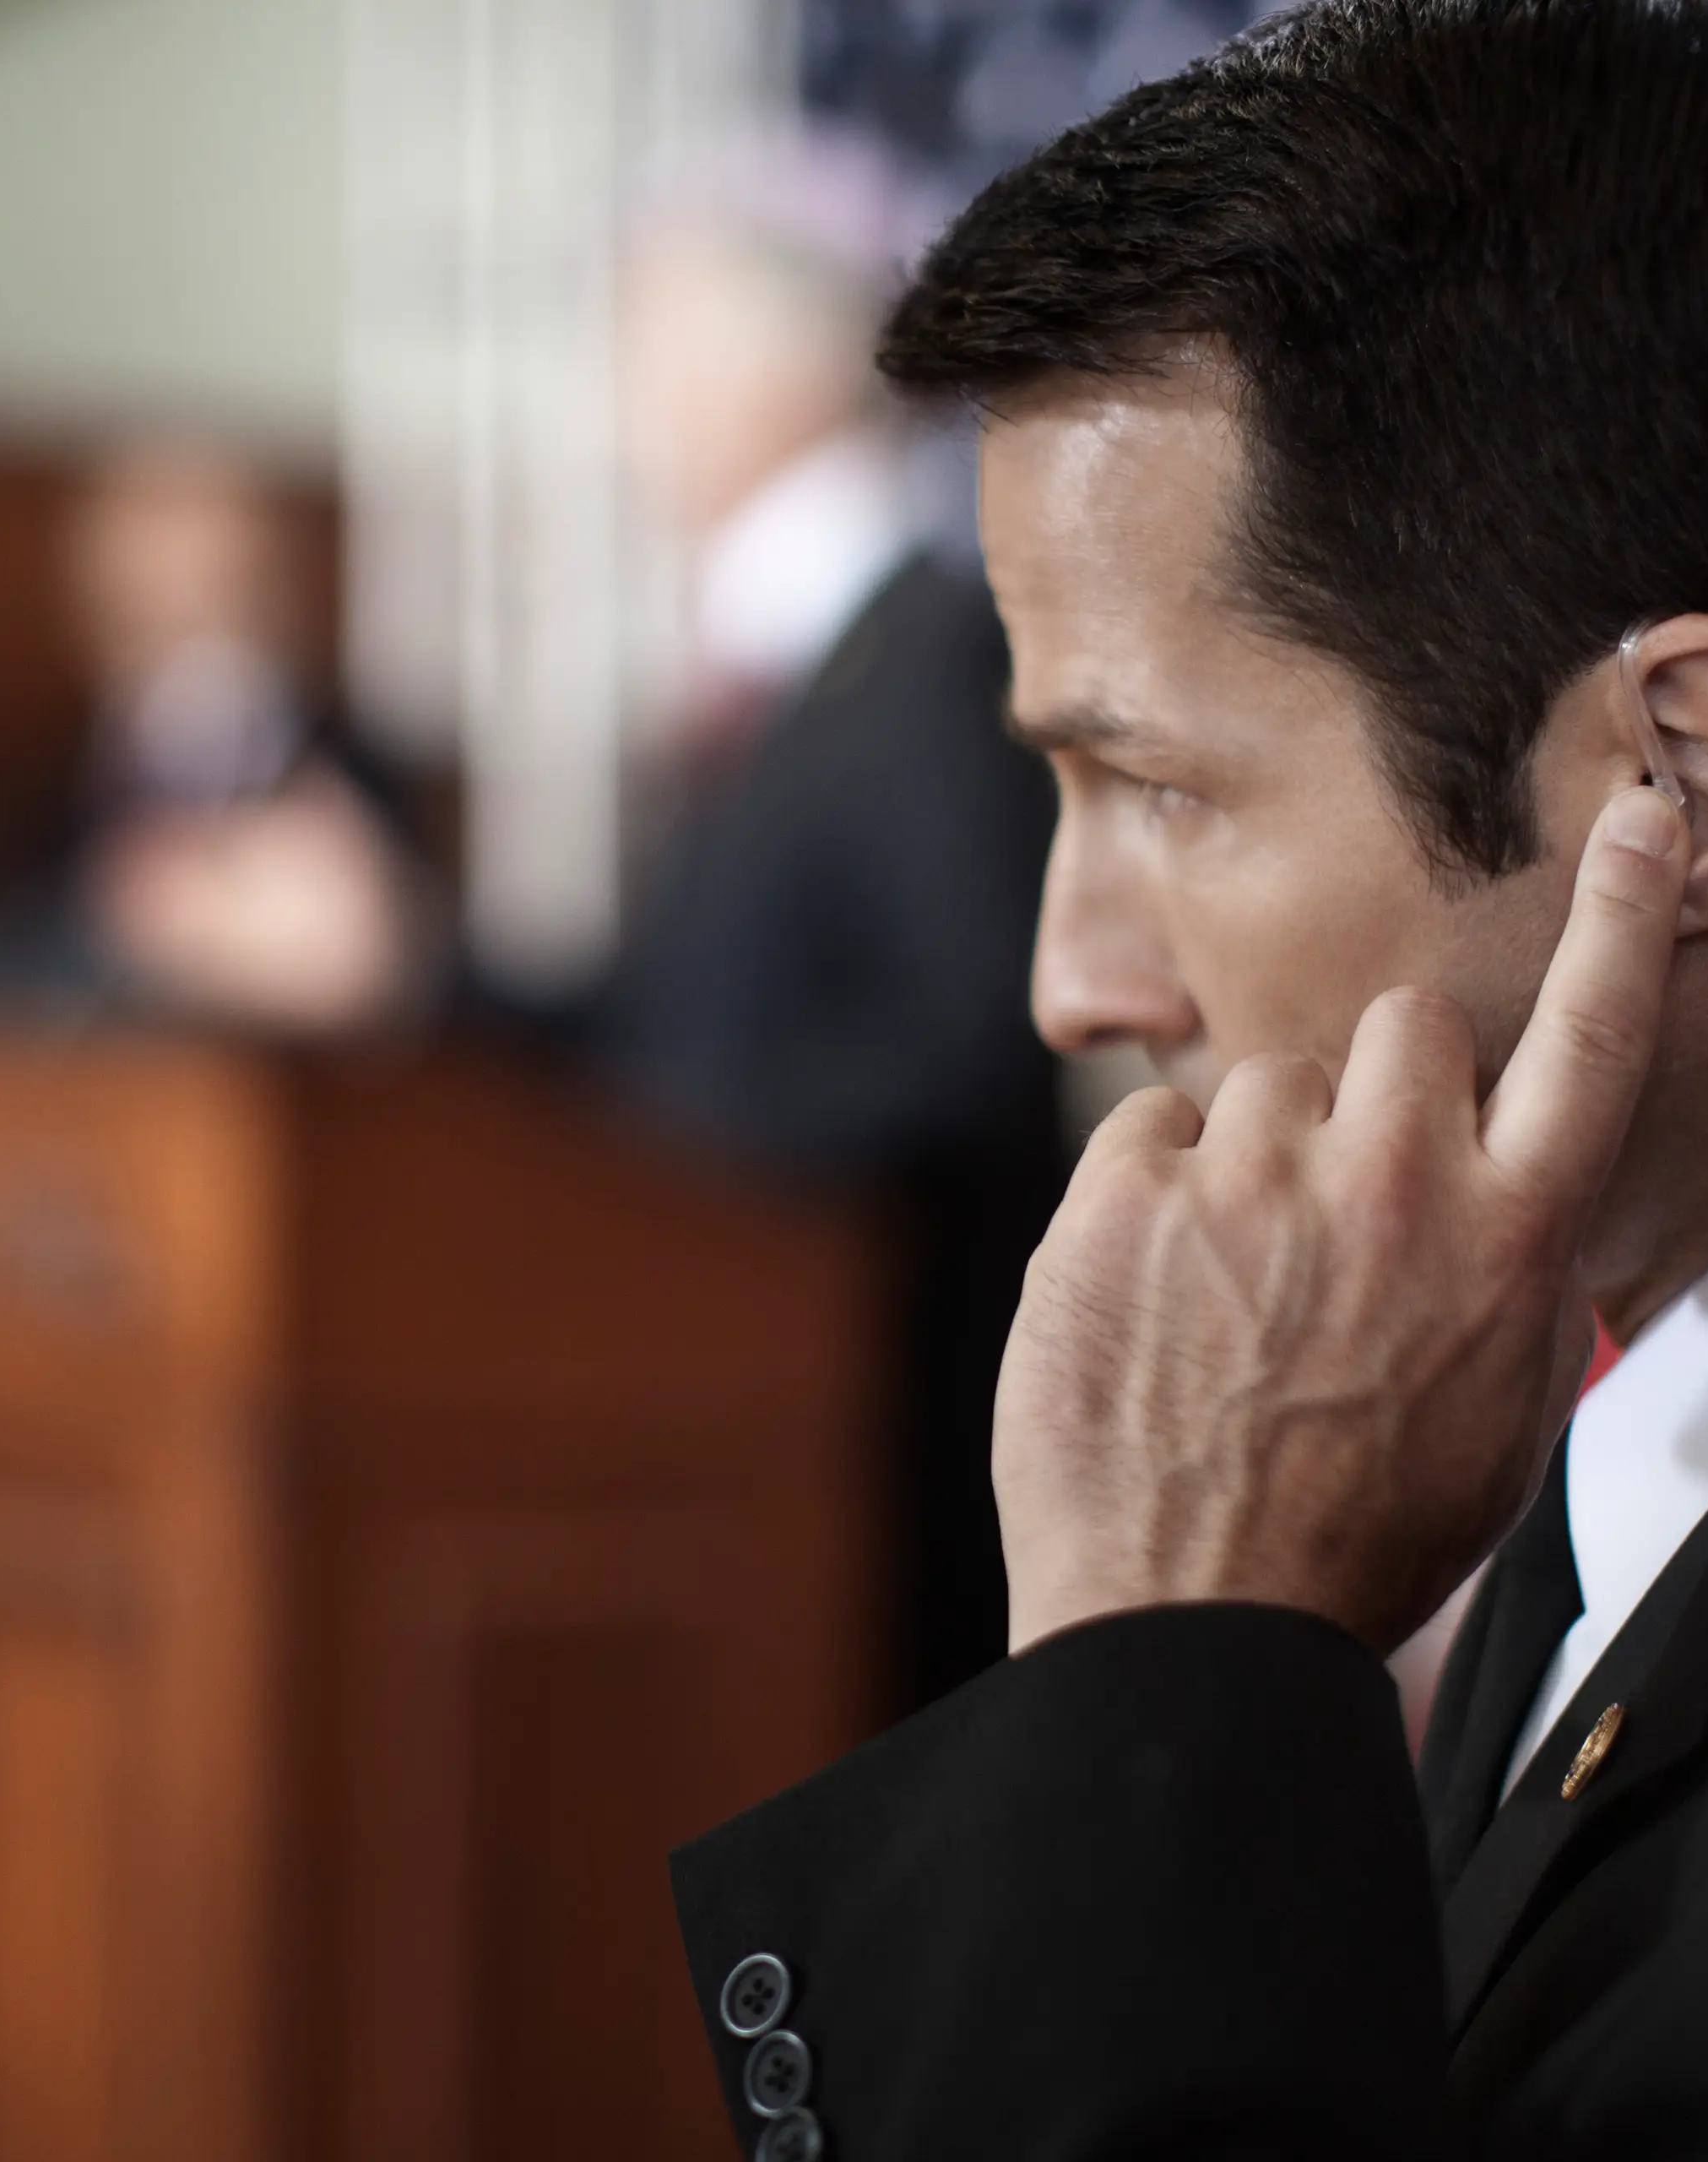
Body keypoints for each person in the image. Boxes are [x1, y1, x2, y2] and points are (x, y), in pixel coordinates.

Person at [668, 2, 1708, 2154]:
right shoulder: (1595, 1460)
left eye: (1154, 784)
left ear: (1681, 774)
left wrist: (1150, 1674)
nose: (1072, 978)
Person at [602, 168, 1067, 1706]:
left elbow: (970, 1048)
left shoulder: (928, 657)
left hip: (884, 1451)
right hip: (741, 1418)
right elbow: (673, 1007)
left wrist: (658, 1149)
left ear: (778, 376)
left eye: (645, 357)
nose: (621, 411)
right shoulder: (784, 660)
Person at [0, 442, 421, 1035]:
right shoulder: (46, 799)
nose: (189, 652)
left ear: (280, 598)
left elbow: (453, 1009)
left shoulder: (365, 781)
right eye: (146, 616)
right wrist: (123, 924)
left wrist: (366, 952)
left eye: (216, 601)